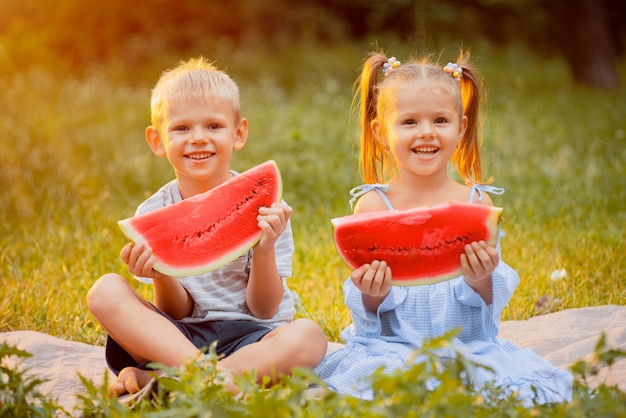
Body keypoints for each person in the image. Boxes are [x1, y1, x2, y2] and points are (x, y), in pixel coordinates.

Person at [314, 50, 573, 405]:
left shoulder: (477, 204)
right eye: (409, 122)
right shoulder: (373, 207)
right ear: (379, 132)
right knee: (383, 389)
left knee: (517, 389)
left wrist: (481, 277)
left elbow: (487, 312)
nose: (426, 133)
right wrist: (372, 292)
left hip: (468, 348)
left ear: (461, 127)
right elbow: (368, 318)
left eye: (440, 120)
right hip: (393, 350)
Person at [87, 56, 327, 398]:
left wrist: (264, 249)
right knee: (105, 290)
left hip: (254, 339)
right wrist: (161, 274)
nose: (198, 138)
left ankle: (182, 383)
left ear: (238, 133)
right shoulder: (153, 211)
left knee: (308, 335)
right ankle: (207, 379)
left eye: (213, 126)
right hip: (176, 340)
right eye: (182, 128)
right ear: (157, 141)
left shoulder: (266, 208)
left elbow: (265, 309)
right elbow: (175, 311)